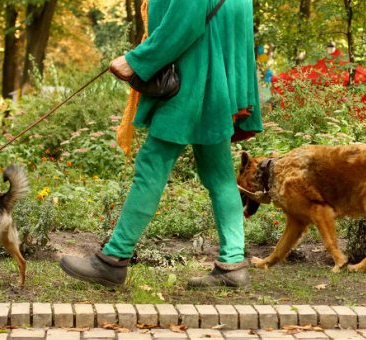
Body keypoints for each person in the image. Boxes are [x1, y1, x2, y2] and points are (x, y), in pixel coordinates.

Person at [59, 0, 263, 289]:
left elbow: (185, 20)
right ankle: (232, 265)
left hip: (192, 84)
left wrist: (137, 60)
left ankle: (112, 260)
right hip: (215, 85)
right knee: (219, 176)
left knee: (152, 166)